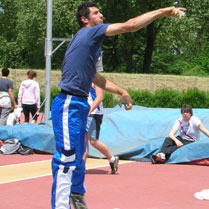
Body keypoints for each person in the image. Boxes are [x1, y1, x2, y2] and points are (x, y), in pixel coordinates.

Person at [51, 2, 186, 209]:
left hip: (79, 104)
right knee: (67, 158)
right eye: (96, 13)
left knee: (78, 156)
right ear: (85, 20)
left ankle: (76, 196)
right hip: (69, 103)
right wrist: (162, 11)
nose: (101, 15)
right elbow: (131, 25)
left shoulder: (88, 45)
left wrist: (122, 92)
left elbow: (95, 78)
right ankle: (61, 205)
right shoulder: (90, 33)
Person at [83, 84, 119, 174]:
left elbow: (99, 97)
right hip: (84, 113)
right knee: (83, 140)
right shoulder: (83, 79)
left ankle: (112, 159)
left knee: (93, 141)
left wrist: (89, 110)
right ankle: (82, 167)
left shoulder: (96, 82)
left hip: (95, 114)